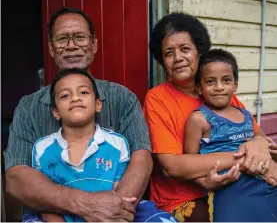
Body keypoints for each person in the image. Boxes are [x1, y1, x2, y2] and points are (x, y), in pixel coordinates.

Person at [4, 7, 153, 222]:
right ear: (51, 48)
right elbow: (16, 177)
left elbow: (142, 158)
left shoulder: (122, 98)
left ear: (94, 44)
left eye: (80, 37)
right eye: (63, 38)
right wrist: (87, 205)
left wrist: (113, 213)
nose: (72, 46)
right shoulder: (29, 107)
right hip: (50, 215)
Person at [143, 12, 277, 222]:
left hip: (237, 185)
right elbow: (172, 166)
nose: (178, 58)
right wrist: (245, 158)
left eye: (185, 49)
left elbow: (256, 133)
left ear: (199, 52)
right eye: (169, 53)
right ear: (162, 61)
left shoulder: (217, 92)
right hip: (183, 197)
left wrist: (259, 145)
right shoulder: (158, 98)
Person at [28, 68, 177, 222]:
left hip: (110, 216)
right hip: (62, 216)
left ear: (98, 104)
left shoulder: (116, 144)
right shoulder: (43, 148)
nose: (75, 98)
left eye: (84, 92)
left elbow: (120, 196)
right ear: (55, 112)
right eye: (65, 95)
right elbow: (44, 201)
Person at [184, 49, 277, 221]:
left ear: (235, 84)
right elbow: (190, 165)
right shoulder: (199, 119)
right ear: (199, 87)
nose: (219, 87)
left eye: (226, 80)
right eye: (210, 81)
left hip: (261, 178)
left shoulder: (246, 115)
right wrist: (205, 182)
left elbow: (263, 145)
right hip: (227, 186)